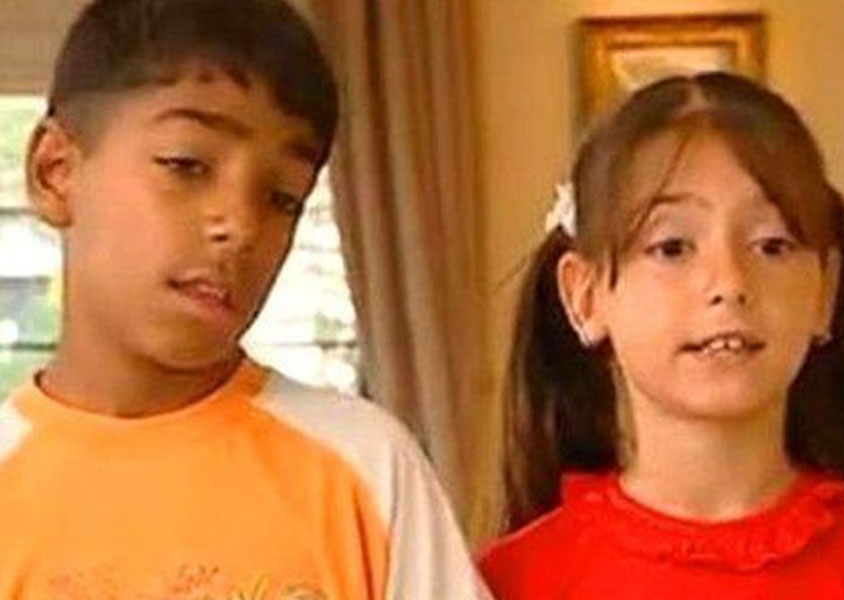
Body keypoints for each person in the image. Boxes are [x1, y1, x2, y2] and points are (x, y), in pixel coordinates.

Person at [0, 0, 489, 598]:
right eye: (187, 165)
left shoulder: (364, 467)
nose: (241, 226)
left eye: (282, 199)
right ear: (55, 171)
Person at [479, 72, 844, 599]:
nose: (730, 283)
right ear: (584, 296)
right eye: (672, 247)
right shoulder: (512, 582)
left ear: (826, 291)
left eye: (772, 245)